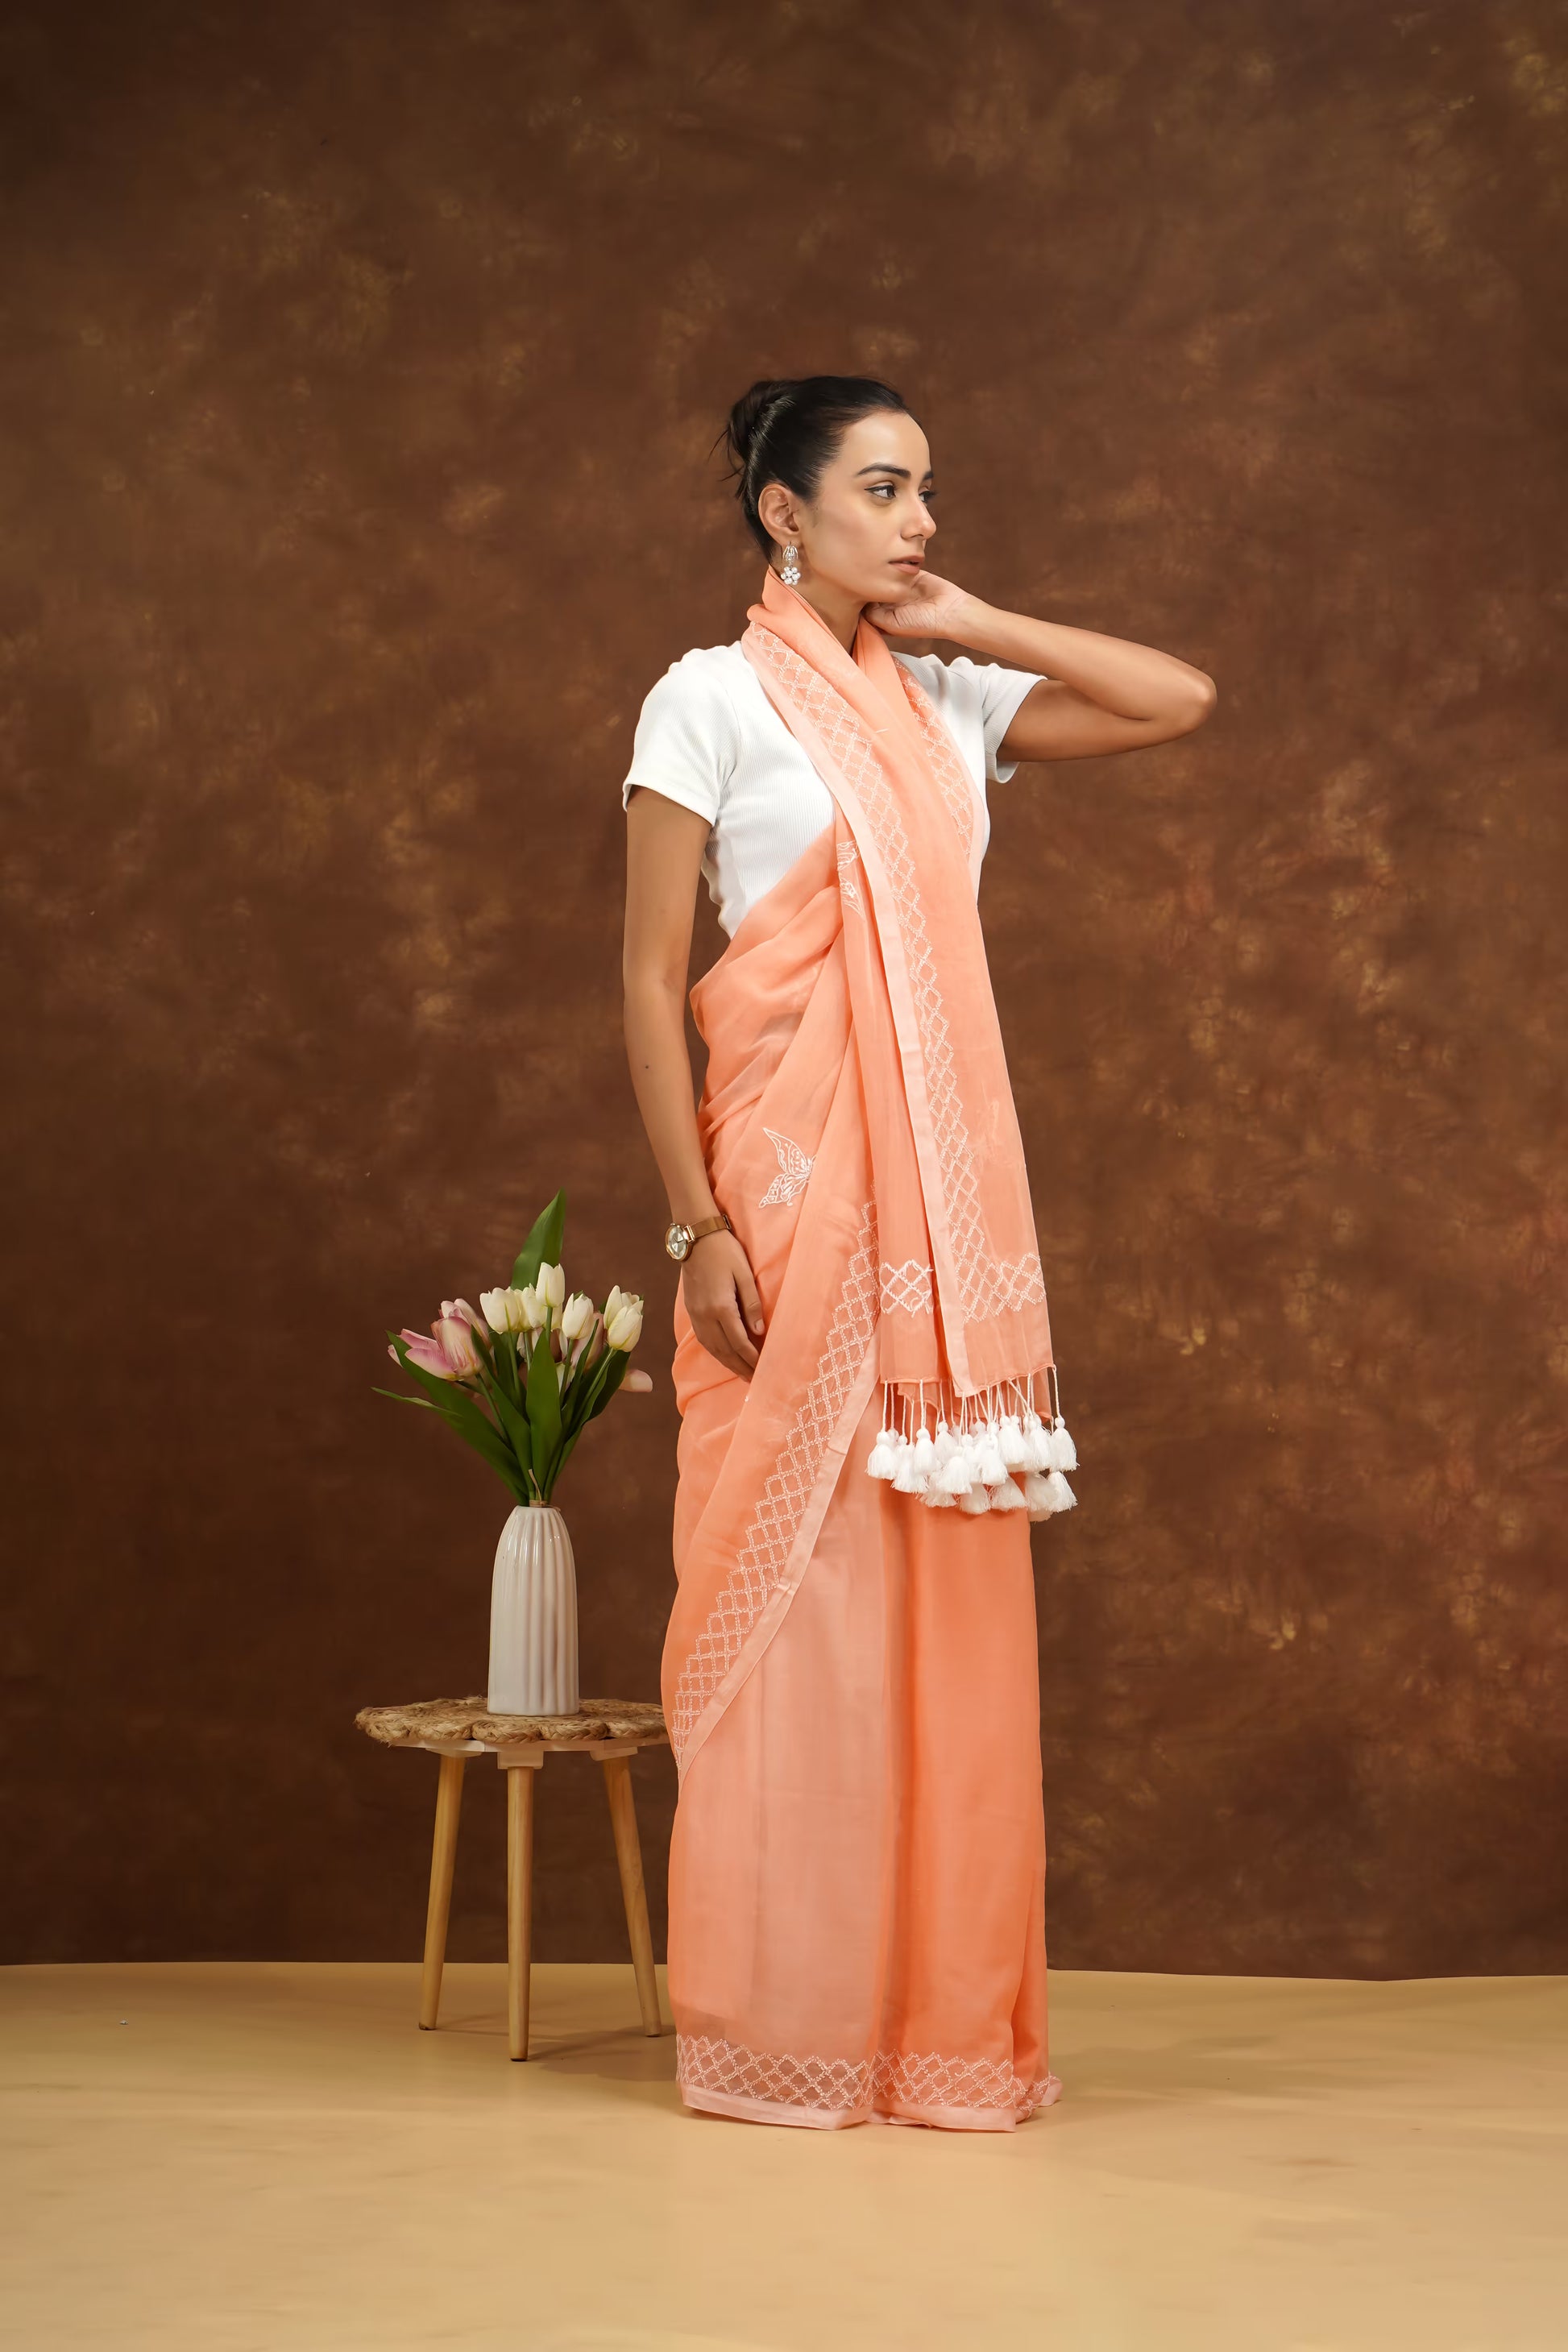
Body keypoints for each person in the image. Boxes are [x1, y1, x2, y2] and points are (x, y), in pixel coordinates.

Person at [620, 374, 1216, 2130]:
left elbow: (1176, 700)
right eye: (885, 490)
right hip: (789, 1206)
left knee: (934, 1602)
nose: (922, 520)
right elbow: (652, 982)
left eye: (929, 489)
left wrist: (975, 623)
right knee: (800, 1607)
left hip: (943, 1239)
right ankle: (782, 2014)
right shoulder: (708, 699)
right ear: (782, 511)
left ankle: (930, 2030)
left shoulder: (946, 699)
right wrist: (695, 1219)